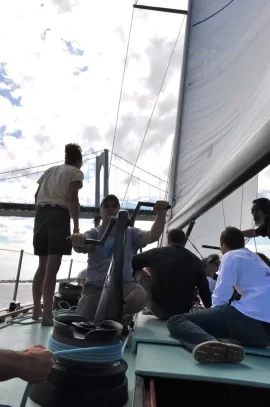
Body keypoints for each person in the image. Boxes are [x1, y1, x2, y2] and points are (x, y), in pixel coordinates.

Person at [167, 226, 270, 364]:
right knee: (224, 324)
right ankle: (227, 341)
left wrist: (213, 315)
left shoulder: (231, 256)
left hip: (249, 319)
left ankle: (213, 345)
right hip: (264, 336)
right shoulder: (257, 258)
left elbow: (221, 296)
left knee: (176, 321)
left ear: (223, 244)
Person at [71, 194, 169, 322]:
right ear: (101, 211)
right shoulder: (94, 233)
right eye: (106, 206)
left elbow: (152, 236)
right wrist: (78, 241)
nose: (110, 208)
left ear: (118, 210)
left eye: (114, 206)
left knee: (139, 297)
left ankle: (114, 315)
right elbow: (83, 246)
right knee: (82, 323)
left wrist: (161, 214)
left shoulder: (131, 232)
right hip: (96, 286)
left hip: (123, 284)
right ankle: (109, 316)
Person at [32, 143, 84, 326]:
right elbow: (73, 198)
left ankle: (37, 310)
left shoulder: (49, 171)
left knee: (42, 266)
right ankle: (47, 316)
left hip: (41, 215)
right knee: (53, 267)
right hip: (59, 216)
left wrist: (41, 214)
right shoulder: (75, 172)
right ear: (79, 161)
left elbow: (36, 195)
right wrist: (76, 227)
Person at [132, 229, 212, 320]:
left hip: (159, 310)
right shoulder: (195, 260)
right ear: (184, 240)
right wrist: (210, 308)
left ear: (168, 239)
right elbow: (204, 289)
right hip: (183, 312)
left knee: (139, 270)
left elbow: (132, 262)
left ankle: (132, 298)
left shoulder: (156, 253)